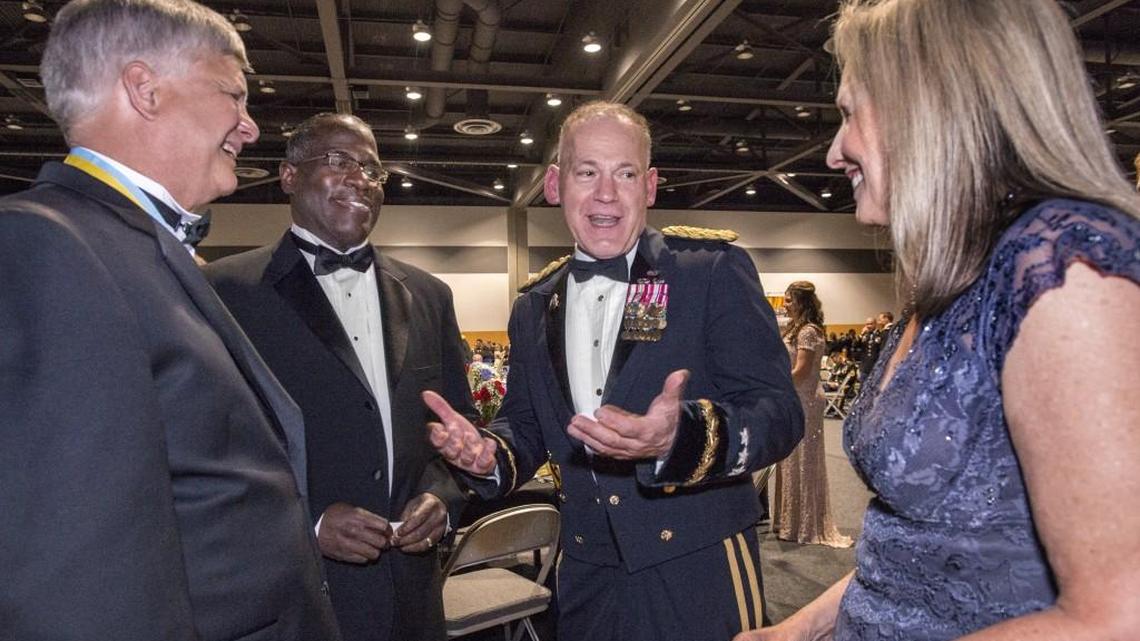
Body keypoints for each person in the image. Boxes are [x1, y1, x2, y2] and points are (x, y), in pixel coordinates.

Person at [736, 1, 1140, 640]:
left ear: (927, 106)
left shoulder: (1063, 266)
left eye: (848, 114)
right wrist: (796, 630)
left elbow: (1117, 618)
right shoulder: (951, 280)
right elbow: (909, 553)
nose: (835, 153)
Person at [0, 1, 341, 640]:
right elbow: (77, 579)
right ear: (144, 89)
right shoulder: (45, 248)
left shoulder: (130, 248)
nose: (249, 127)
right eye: (233, 96)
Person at [422, 101, 803, 641]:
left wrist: (680, 438)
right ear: (555, 184)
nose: (606, 194)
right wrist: (488, 455)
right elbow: (526, 425)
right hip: (584, 573)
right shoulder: (534, 305)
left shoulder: (708, 270)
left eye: (625, 173)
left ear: (649, 187)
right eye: (587, 173)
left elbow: (780, 413)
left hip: (698, 566)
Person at [205, 112, 476, 641]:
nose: (360, 179)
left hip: (411, 592)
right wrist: (307, 523)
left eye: (374, 171)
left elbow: (457, 422)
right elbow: (213, 444)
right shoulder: (226, 293)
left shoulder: (429, 295)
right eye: (337, 161)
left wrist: (443, 498)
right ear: (288, 176)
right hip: (297, 591)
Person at [771, 281, 852, 548]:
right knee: (789, 459)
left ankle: (804, 524)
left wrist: (775, 383)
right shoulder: (795, 329)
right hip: (794, 397)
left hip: (805, 399)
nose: (786, 304)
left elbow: (803, 371)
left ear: (803, 302)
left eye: (790, 300)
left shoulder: (808, 331)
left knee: (803, 460)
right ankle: (787, 521)